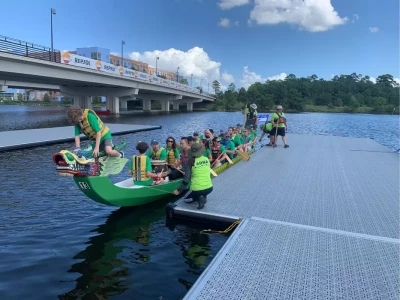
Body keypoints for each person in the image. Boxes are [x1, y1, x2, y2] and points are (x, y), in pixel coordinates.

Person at [172, 143, 213, 209]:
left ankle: (199, 198)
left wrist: (178, 190)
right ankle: (203, 196)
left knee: (185, 199)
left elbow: (186, 180)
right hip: (210, 188)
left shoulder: (190, 162)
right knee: (202, 190)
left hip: (197, 189)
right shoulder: (206, 159)